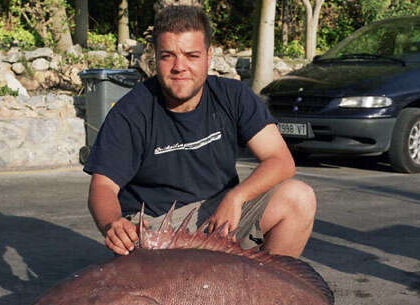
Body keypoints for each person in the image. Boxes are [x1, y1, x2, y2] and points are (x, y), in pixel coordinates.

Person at [84, 5, 316, 258]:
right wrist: (112, 223)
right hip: (157, 228)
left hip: (219, 214)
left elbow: (281, 161)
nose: (179, 66)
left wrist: (237, 197)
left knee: (298, 197)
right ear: (155, 57)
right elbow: (103, 186)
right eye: (167, 55)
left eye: (191, 55)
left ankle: (268, 292)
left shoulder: (233, 95)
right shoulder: (131, 111)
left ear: (208, 56)